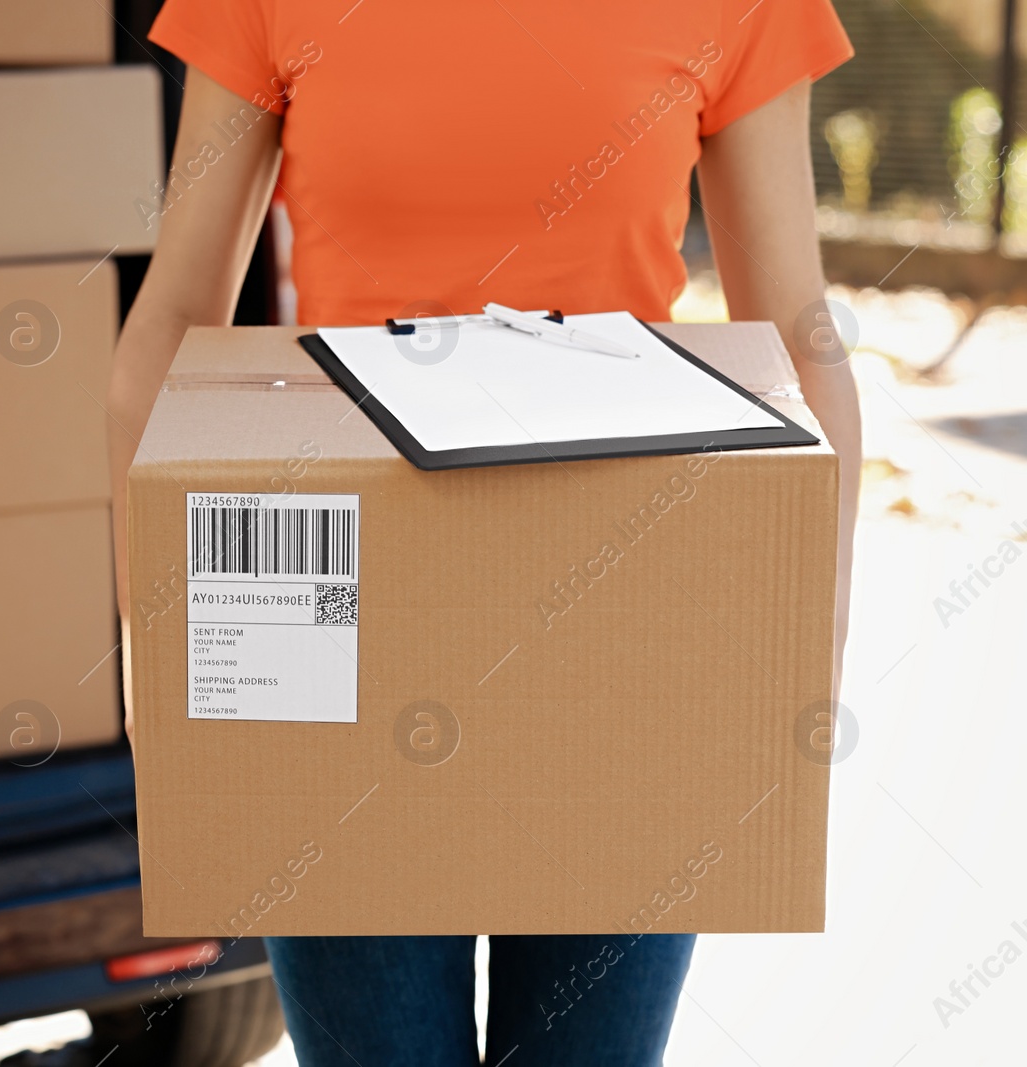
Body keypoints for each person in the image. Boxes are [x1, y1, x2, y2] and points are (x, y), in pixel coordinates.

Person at [105, 1, 861, 1063]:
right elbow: (173, 319)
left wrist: (807, 646)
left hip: (629, 631)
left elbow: (797, 330)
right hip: (343, 642)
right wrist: (154, 648)